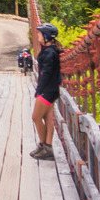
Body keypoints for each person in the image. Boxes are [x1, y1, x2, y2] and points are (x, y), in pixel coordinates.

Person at [30, 23, 61, 160]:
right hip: (52, 90)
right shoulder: (51, 50)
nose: (38, 35)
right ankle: (47, 146)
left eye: (40, 33)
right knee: (47, 118)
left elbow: (46, 74)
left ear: (47, 36)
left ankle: (45, 147)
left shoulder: (49, 53)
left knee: (36, 117)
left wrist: (39, 90)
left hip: (47, 91)